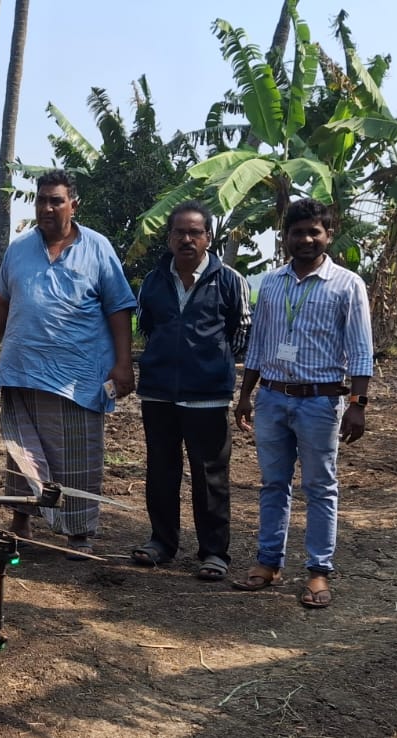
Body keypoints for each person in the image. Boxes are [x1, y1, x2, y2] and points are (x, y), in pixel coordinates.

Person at [0, 169, 135, 558]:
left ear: (73, 205)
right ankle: (20, 518)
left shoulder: (98, 248)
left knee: (78, 455)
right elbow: (1, 302)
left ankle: (79, 532)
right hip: (20, 369)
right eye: (41, 199)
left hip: (78, 376)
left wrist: (123, 363)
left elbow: (119, 309)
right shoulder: (19, 248)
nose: (47, 207)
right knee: (21, 451)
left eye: (56, 200)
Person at [233, 197, 374, 609]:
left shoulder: (347, 285)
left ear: (329, 235)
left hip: (320, 400)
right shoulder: (272, 282)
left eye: (315, 231)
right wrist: (245, 395)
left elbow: (362, 350)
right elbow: (258, 345)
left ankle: (317, 571)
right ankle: (267, 563)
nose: (306, 239)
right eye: (298, 232)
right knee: (272, 485)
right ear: (286, 237)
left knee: (319, 487)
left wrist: (358, 403)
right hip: (274, 397)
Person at [133, 200, 251, 580]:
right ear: (169, 238)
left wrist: (209, 362)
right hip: (159, 393)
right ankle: (161, 543)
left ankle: (214, 552)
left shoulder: (230, 279)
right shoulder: (153, 281)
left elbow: (241, 333)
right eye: (179, 232)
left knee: (210, 475)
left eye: (194, 232)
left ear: (208, 238)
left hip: (209, 394)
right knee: (161, 471)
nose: (187, 239)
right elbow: (147, 327)